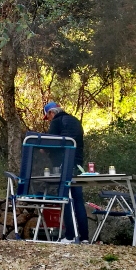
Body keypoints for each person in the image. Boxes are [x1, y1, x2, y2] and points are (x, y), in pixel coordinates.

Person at [43, 101, 89, 242]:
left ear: (51, 113)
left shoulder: (56, 122)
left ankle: (69, 236)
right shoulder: (75, 121)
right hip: (77, 166)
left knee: (65, 199)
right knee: (78, 200)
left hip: (64, 167)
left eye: (47, 117)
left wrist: (42, 149)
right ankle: (84, 238)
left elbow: (50, 143)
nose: (48, 120)